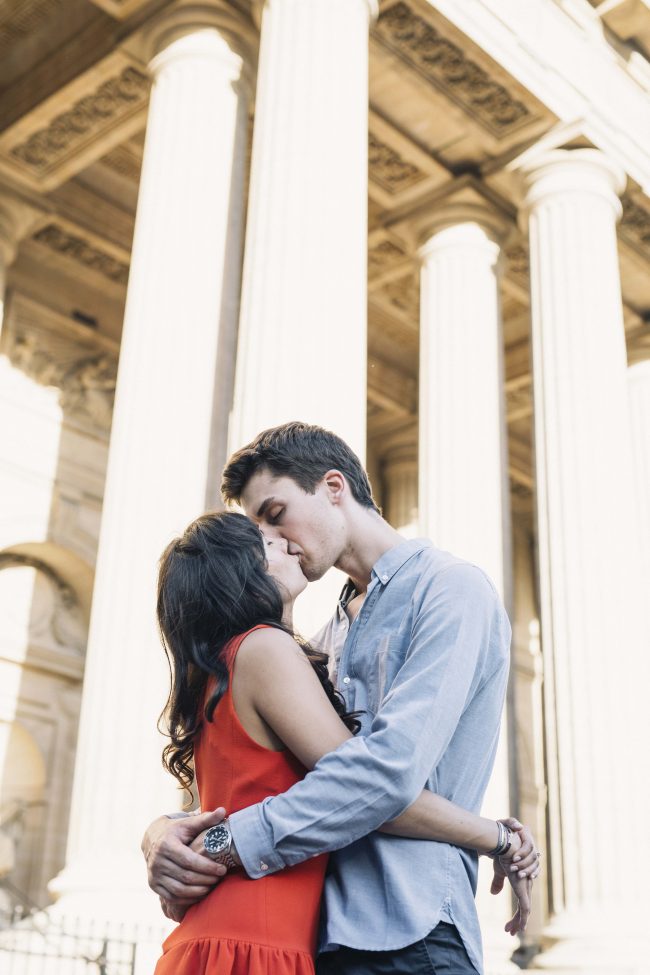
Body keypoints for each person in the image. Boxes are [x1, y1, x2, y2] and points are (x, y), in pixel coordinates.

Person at [145, 423, 540, 975]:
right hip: (315, 938)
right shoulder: (318, 638)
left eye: (275, 514)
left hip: (405, 930)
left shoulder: (450, 590)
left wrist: (218, 841)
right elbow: (264, 773)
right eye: (260, 529)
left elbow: (382, 775)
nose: (274, 541)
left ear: (334, 487)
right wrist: (164, 832)